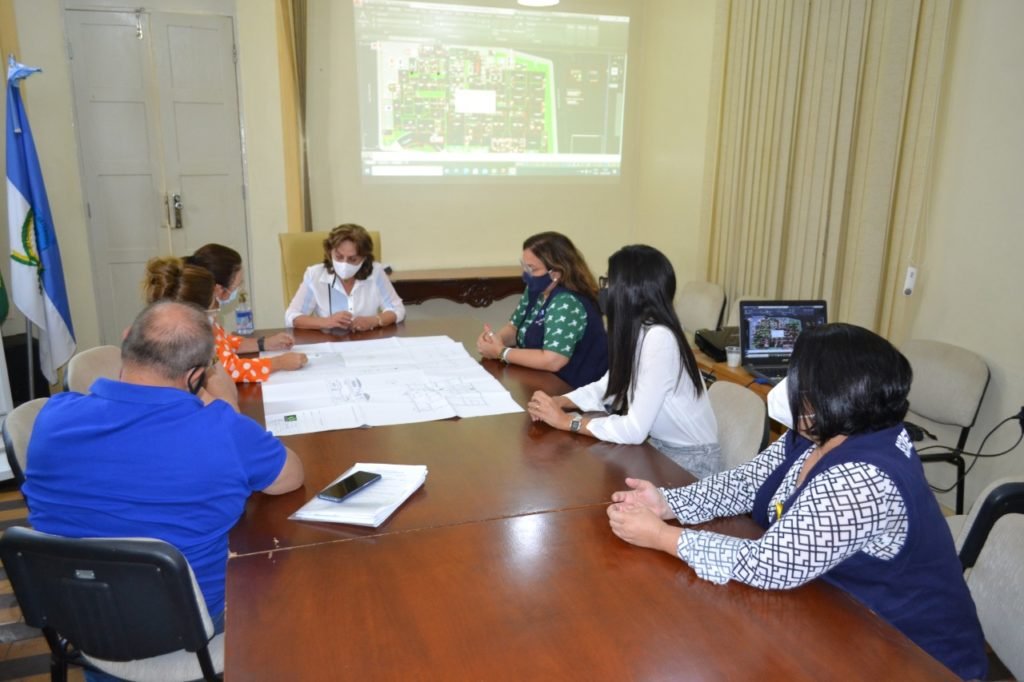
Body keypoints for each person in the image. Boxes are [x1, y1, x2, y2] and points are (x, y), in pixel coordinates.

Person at [605, 323, 987, 680]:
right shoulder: (822, 431)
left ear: (832, 396)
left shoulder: (864, 476)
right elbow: (749, 481)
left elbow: (773, 564)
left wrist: (662, 537)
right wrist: (670, 504)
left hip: (911, 653)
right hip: (833, 611)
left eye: (798, 378)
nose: (789, 386)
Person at [23, 301, 305, 655]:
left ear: (126, 340)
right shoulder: (221, 429)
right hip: (187, 625)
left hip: (78, 617)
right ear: (195, 375)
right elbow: (290, 477)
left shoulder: (52, 418)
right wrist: (215, 398)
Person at [526, 245, 719, 478]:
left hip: (691, 463)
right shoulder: (640, 331)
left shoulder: (659, 338)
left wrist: (568, 422)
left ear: (630, 291)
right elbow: (610, 384)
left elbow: (634, 430)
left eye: (609, 281)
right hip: (661, 450)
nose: (604, 289)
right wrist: (561, 401)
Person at [476, 231, 608, 388]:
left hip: (571, 391)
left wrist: (501, 352)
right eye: (524, 266)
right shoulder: (537, 290)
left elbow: (553, 360)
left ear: (556, 273)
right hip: (538, 380)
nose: (526, 274)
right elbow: (515, 327)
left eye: (532, 268)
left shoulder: (567, 302)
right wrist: (495, 341)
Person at [185, 244, 307, 382]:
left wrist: (264, 343)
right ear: (218, 289)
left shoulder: (204, 313)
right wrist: (278, 363)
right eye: (237, 285)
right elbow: (228, 370)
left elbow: (225, 342)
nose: (239, 290)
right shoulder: (194, 323)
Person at [285, 223, 405, 331]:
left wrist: (374, 320)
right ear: (329, 252)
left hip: (367, 342)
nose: (345, 264)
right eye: (339, 256)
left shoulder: (376, 272)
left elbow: (397, 309)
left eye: (353, 259)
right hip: (329, 343)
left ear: (364, 258)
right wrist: (326, 322)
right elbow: (292, 316)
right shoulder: (315, 275)